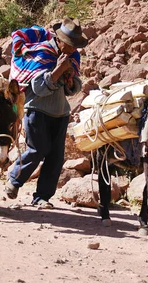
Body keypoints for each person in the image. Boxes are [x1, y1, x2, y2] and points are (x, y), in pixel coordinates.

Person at [5, 17, 87, 209]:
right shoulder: (42, 52)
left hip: (60, 112)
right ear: (59, 40)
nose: (73, 49)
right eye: (70, 45)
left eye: (75, 46)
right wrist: (59, 70)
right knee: (37, 149)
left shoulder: (71, 58)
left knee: (56, 157)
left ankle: (42, 197)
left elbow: (73, 88)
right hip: (37, 110)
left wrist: (70, 81)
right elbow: (39, 88)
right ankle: (14, 181)